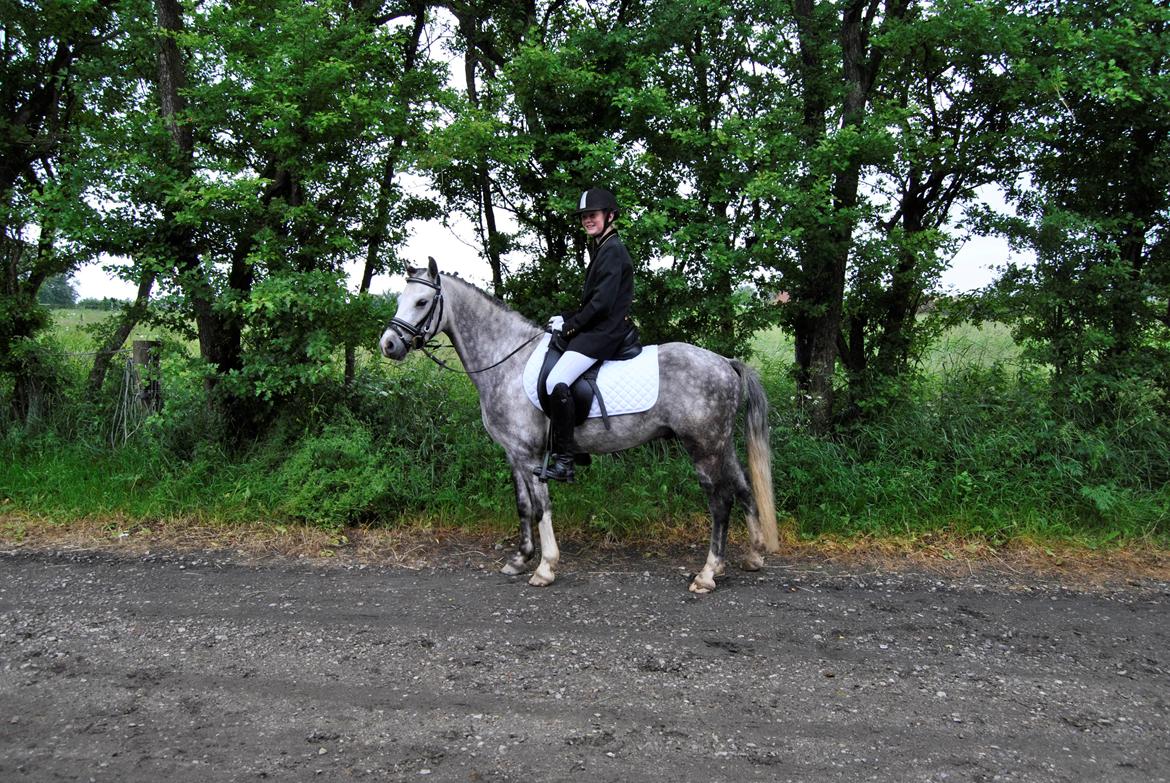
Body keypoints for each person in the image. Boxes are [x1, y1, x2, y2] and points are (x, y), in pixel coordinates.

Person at [536, 187, 637, 483]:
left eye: (593, 215)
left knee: (556, 380)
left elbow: (601, 305)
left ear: (610, 216)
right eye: (584, 217)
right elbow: (593, 302)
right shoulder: (603, 247)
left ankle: (566, 461)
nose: (587, 220)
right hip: (599, 327)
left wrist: (569, 327)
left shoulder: (613, 250)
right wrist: (566, 317)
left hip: (605, 332)